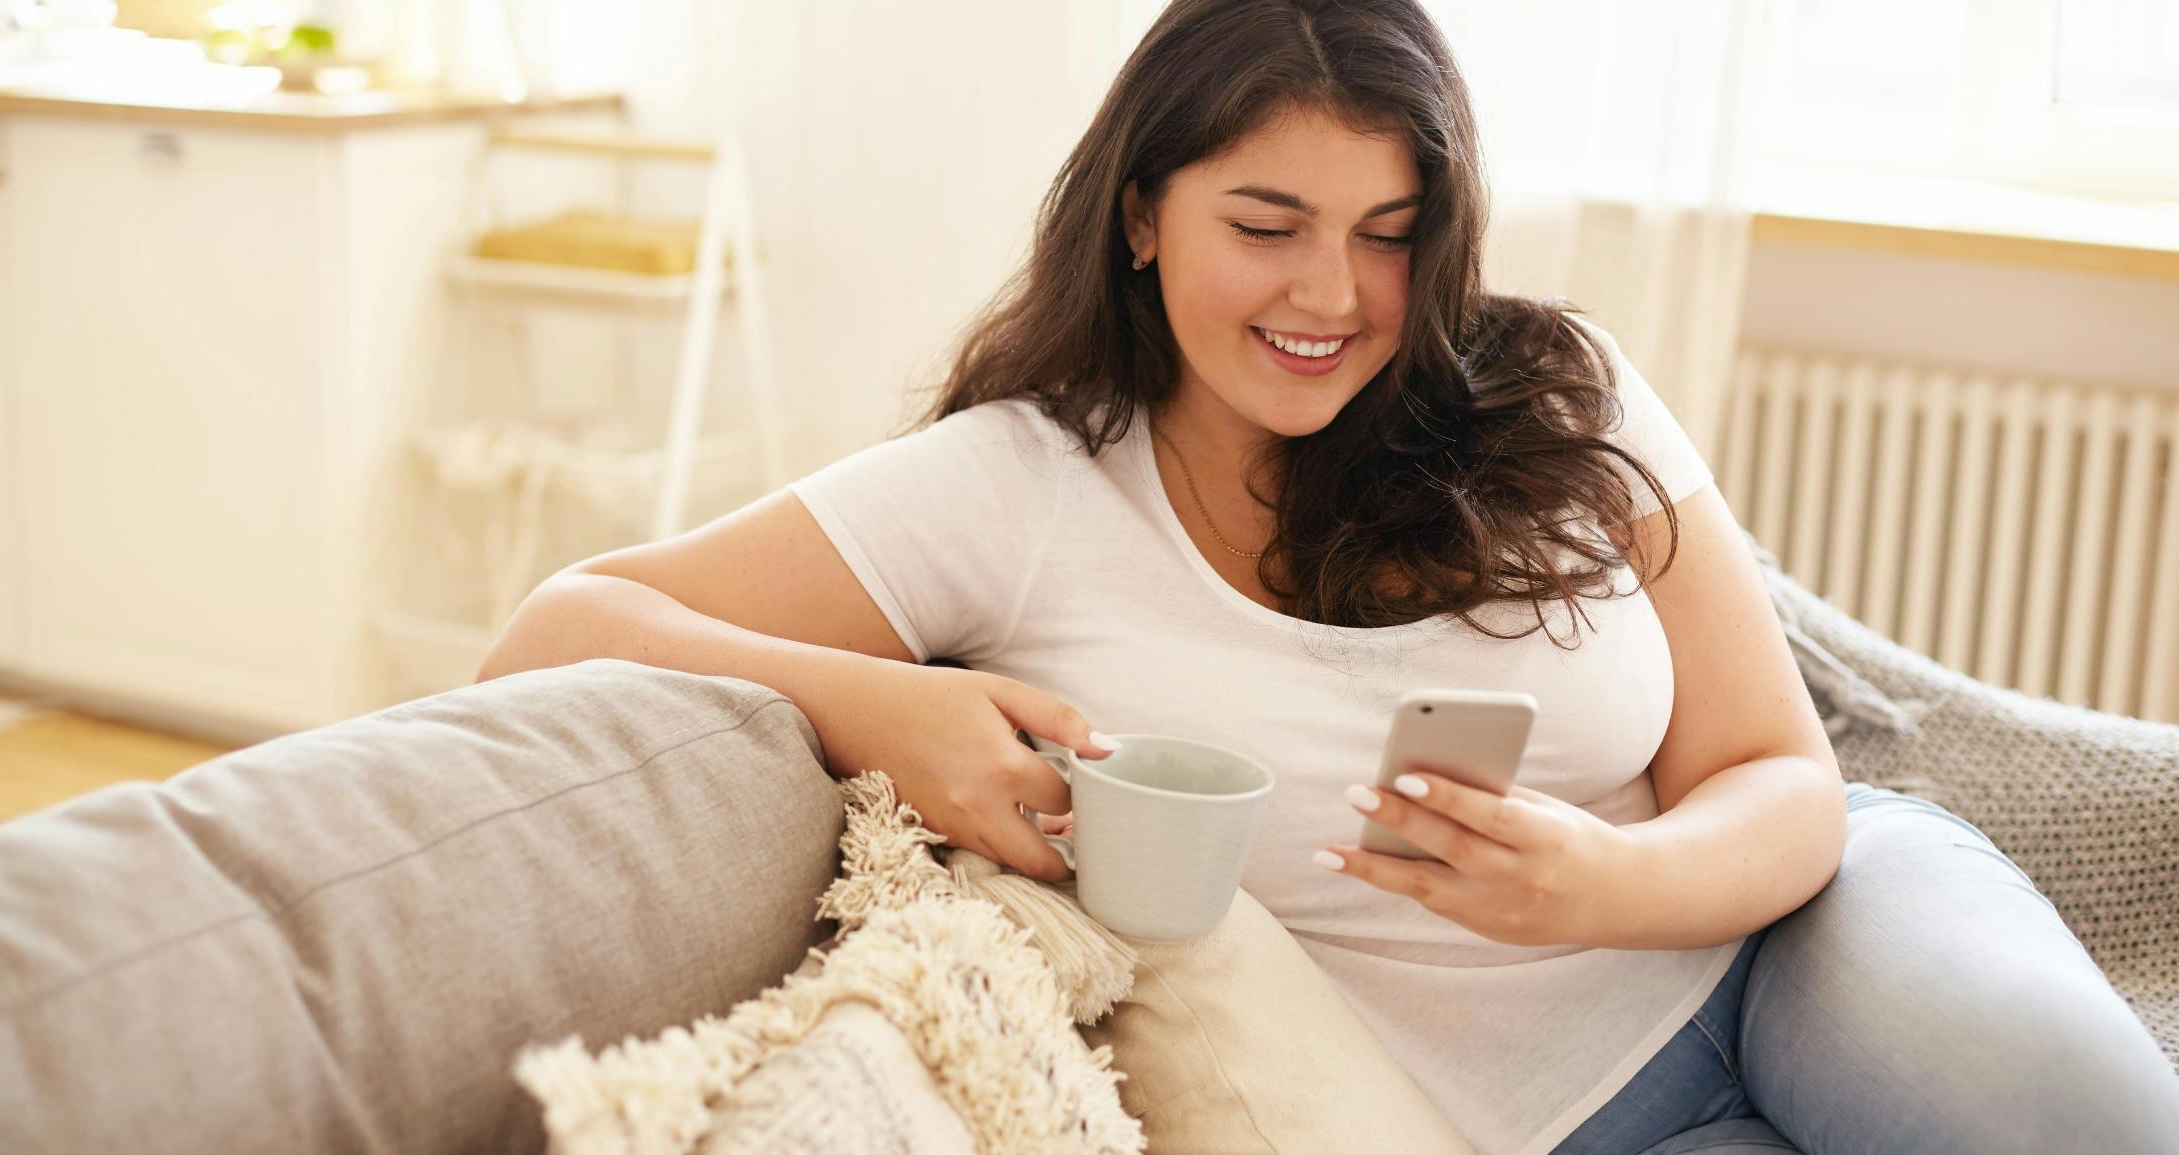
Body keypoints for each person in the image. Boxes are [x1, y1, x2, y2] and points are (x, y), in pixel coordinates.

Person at [477, 1, 2179, 1152]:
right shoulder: (1018, 486)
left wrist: (1597, 882)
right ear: (1144, 217)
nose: (1334, 295)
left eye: (1389, 230)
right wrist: (891, 706)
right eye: (1266, 221)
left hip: (1797, 941)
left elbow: (1780, 777)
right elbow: (554, 633)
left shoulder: (1559, 387)